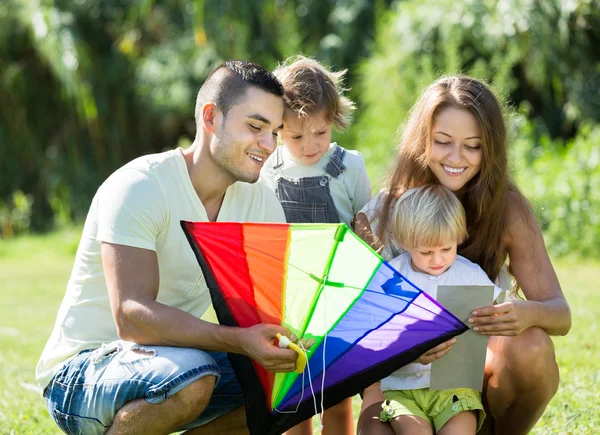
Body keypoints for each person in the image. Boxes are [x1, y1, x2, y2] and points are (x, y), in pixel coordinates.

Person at [36, 60, 300, 435]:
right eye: (255, 127)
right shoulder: (140, 186)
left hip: (174, 362)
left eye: (275, 132)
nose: (269, 145)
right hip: (81, 373)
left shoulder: (261, 203)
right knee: (194, 376)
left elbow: (272, 305)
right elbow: (132, 317)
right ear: (211, 118)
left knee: (293, 380)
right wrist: (239, 341)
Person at [354, 75, 571, 435]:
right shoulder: (385, 212)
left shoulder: (507, 210)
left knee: (533, 346)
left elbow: (560, 314)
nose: (456, 158)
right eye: (442, 142)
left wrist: (526, 313)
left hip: (468, 384)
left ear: (491, 148)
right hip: (398, 382)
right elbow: (358, 324)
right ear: (423, 141)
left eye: (472, 146)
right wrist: (406, 349)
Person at [260, 55, 372, 434]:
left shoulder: (349, 167)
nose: (310, 146)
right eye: (295, 136)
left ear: (334, 121)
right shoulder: (267, 169)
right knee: (295, 395)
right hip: (288, 296)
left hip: (337, 293)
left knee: (337, 394)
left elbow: (366, 229)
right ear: (277, 128)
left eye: (320, 133)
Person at [380, 184, 504, 435]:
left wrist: (494, 317)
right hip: (403, 388)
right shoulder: (390, 279)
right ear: (404, 242)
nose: (437, 260)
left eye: (446, 249)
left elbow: (500, 313)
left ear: (458, 237)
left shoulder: (470, 275)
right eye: (426, 252)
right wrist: (411, 349)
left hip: (456, 389)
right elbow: (375, 335)